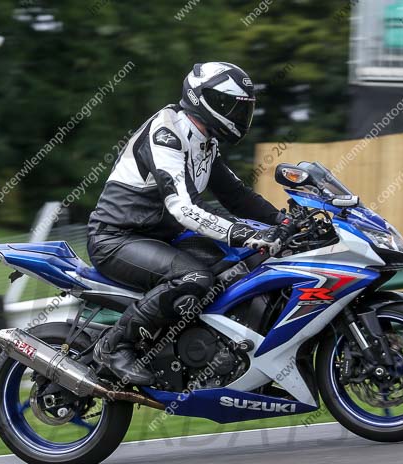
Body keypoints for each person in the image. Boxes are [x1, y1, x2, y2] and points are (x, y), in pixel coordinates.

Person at [87, 62, 291, 385]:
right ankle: (113, 347)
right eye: (231, 107)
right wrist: (238, 232)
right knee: (194, 276)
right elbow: (181, 207)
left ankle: (208, 354)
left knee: (241, 263)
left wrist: (283, 219)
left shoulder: (205, 142)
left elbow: (236, 195)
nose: (239, 117)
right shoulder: (166, 132)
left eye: (244, 110)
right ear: (203, 99)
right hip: (116, 239)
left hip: (160, 238)